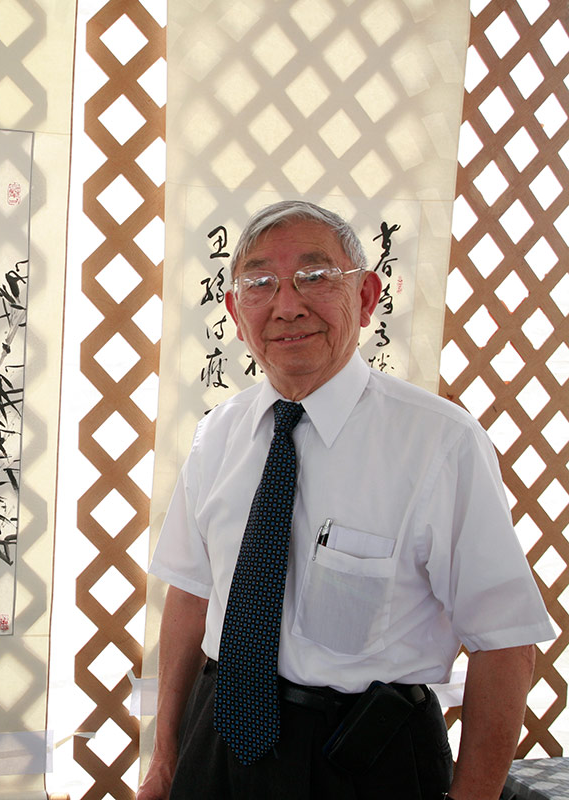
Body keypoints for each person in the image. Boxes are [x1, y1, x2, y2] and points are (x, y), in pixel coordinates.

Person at [137, 200, 554, 800]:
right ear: (234, 309)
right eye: (260, 284)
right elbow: (190, 594)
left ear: (364, 296)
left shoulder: (440, 443)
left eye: (315, 276)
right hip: (218, 740)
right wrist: (167, 760)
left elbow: (506, 643)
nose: (287, 304)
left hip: (364, 758)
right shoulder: (220, 433)